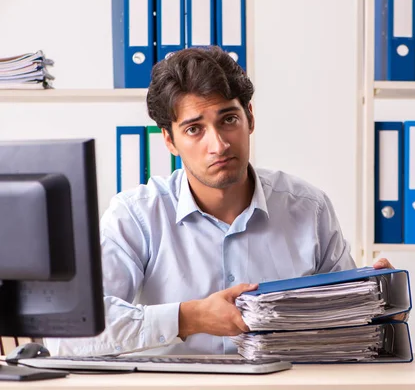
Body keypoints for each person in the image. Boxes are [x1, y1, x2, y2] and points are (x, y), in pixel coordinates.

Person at [45, 46, 393, 356]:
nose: (219, 145)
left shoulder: (309, 207)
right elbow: (67, 337)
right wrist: (187, 318)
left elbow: (355, 328)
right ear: (169, 140)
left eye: (228, 120)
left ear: (250, 118)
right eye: (194, 129)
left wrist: (380, 304)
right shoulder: (137, 215)